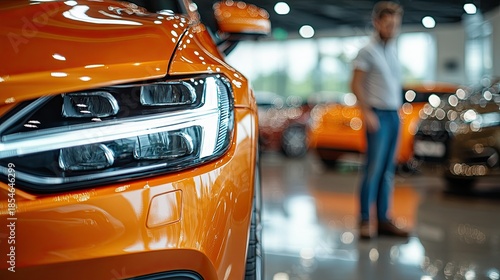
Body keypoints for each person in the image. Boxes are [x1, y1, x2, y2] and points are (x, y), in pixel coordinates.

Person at [350, 1, 409, 239]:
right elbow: (355, 84)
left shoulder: (392, 51)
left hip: (394, 115)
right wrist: (367, 112)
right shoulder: (367, 51)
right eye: (388, 23)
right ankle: (365, 220)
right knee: (373, 170)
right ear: (377, 23)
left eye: (396, 24)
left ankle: (384, 219)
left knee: (387, 171)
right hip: (378, 115)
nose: (392, 28)